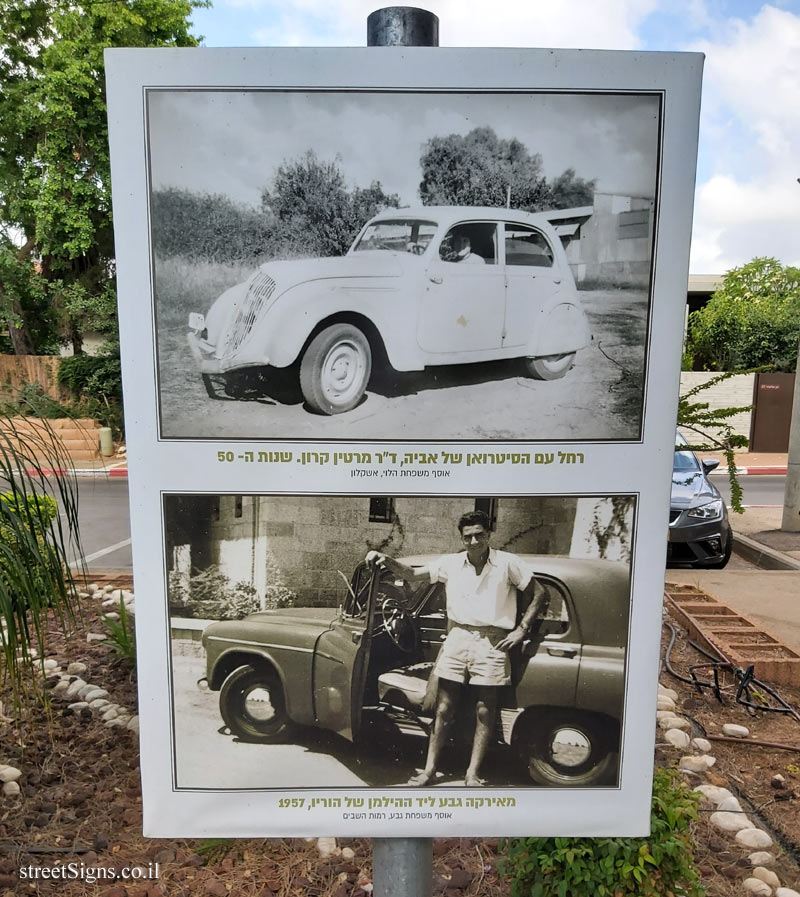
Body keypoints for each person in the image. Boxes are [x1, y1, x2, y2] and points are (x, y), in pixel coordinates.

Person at [366, 510, 545, 786]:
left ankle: (472, 773)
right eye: (467, 537)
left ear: (489, 535)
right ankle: (429, 770)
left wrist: (522, 629)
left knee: (485, 711)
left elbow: (540, 593)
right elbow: (413, 574)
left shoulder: (508, 563)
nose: (473, 542)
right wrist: (386, 559)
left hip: (492, 642)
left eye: (479, 535)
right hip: (458, 638)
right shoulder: (450, 563)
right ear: (461, 538)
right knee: (443, 708)